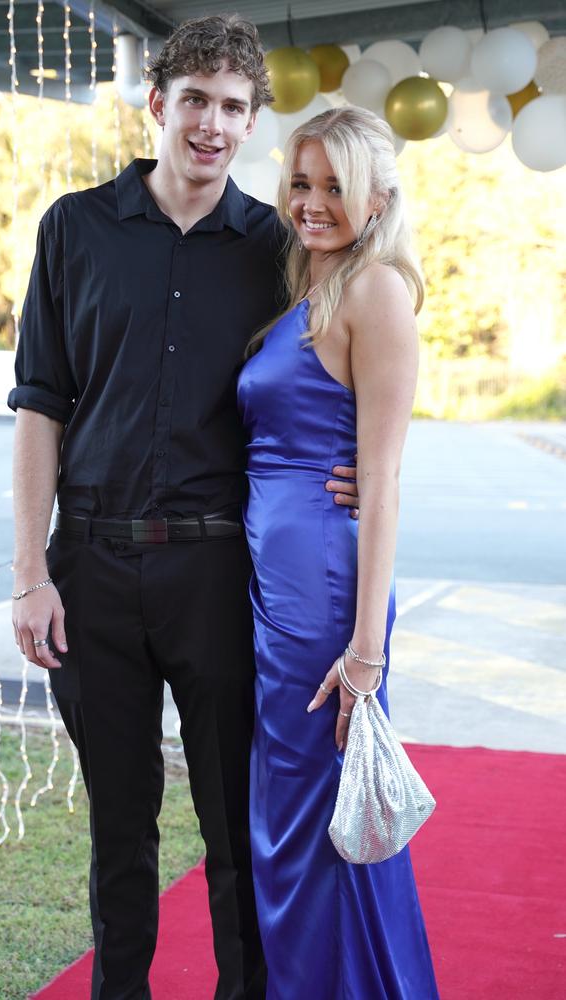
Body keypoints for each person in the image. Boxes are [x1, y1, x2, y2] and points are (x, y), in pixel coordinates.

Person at [8, 15, 356, 1000]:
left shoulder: (278, 249)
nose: (211, 123)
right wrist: (30, 573)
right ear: (156, 102)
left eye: (232, 108)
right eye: (194, 99)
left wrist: (369, 461)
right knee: (119, 826)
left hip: (219, 577)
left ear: (250, 124)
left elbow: (343, 360)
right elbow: (40, 404)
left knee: (232, 824)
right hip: (90, 574)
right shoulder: (73, 228)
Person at [237, 106, 439, 999]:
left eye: (334, 186)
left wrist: (365, 655)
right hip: (279, 592)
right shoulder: (309, 283)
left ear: (378, 196)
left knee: (331, 810)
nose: (312, 203)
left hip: (327, 600)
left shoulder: (376, 291)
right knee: (291, 808)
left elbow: (383, 482)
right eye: (302, 182)